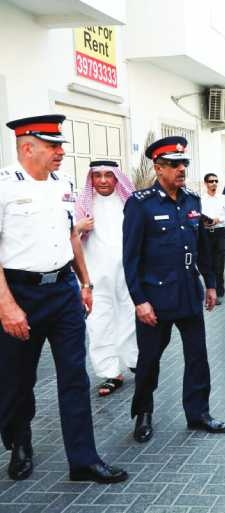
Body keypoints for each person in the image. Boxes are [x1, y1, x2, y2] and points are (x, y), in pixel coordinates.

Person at [0, 115, 127, 483]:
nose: (61, 151)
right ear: (27, 147)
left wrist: (85, 283)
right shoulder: (5, 185)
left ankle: (83, 459)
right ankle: (19, 440)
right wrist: (6, 305)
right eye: (53, 145)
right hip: (20, 292)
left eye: (60, 144)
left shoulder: (64, 185)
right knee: (16, 380)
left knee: (74, 377)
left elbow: (71, 237)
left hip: (64, 291)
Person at [123, 136, 225, 443]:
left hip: (188, 292)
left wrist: (210, 284)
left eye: (184, 163)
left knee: (198, 356)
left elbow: (203, 249)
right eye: (173, 164)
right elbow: (130, 258)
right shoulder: (140, 205)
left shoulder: (192, 201)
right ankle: (143, 413)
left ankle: (198, 414)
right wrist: (139, 300)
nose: (181, 169)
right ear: (158, 168)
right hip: (155, 298)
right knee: (149, 360)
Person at [75, 160, 138, 396]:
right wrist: (79, 226)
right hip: (95, 276)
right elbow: (64, 238)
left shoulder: (130, 203)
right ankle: (111, 373)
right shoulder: (83, 207)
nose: (102, 181)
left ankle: (134, 361)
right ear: (91, 180)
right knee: (99, 323)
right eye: (97, 176)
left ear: (117, 178)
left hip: (128, 273)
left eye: (108, 176)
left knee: (130, 316)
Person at [201, 172, 225, 304]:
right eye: (211, 181)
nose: (214, 183)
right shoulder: (200, 200)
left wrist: (219, 219)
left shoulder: (224, 199)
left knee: (219, 262)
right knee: (207, 263)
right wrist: (202, 222)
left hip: (220, 233)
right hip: (205, 234)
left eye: (216, 181)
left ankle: (219, 287)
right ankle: (211, 288)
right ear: (206, 183)